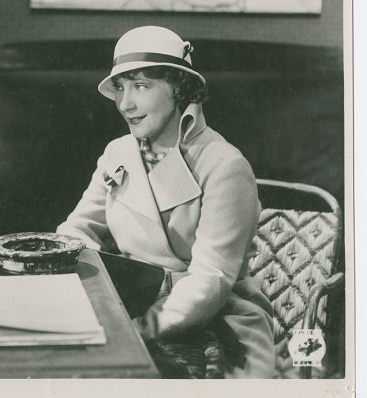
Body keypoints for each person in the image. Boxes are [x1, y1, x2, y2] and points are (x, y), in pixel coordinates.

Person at [57, 26, 275, 378]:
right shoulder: (118, 152)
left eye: (141, 86)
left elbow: (211, 281)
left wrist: (133, 329)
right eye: (120, 87)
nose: (126, 103)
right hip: (130, 302)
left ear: (178, 89)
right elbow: (78, 230)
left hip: (216, 321)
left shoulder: (225, 165)